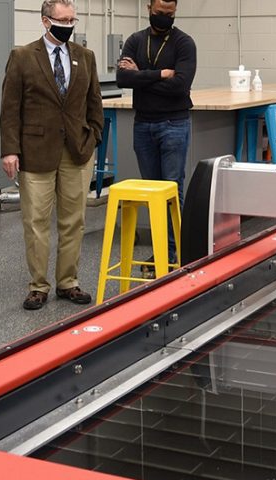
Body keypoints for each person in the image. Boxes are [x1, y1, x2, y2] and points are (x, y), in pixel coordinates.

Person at [0, 0, 104, 310]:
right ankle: (38, 286)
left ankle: (67, 282)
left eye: (73, 19)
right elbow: (9, 108)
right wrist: (9, 150)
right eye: (63, 19)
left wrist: (94, 135)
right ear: (46, 21)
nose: (69, 25)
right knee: (36, 221)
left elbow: (94, 101)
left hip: (77, 151)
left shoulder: (85, 57)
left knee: (74, 221)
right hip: (35, 152)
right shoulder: (22, 56)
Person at [116, 0, 197, 276]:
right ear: (149, 7)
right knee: (153, 192)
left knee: (172, 190)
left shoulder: (184, 43)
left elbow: (180, 86)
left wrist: (140, 75)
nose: (164, 17)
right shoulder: (135, 40)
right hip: (144, 125)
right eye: (159, 12)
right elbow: (122, 80)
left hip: (174, 123)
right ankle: (162, 252)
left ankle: (177, 253)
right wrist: (159, 74)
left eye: (169, 14)